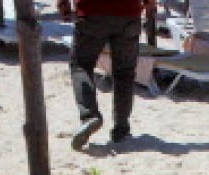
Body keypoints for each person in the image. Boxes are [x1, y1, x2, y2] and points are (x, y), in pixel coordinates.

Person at [58, 0, 156, 149]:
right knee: (124, 72)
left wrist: (63, 5)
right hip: (129, 13)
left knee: (81, 65)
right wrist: (150, 4)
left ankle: (90, 115)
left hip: (92, 11)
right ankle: (121, 128)